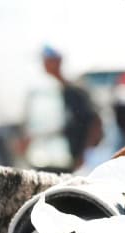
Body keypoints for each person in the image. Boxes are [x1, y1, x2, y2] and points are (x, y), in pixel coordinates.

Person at [18, 45, 102, 173]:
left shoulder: (75, 92)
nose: (44, 64)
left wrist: (84, 154)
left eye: (47, 60)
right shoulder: (44, 92)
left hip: (68, 162)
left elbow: (94, 122)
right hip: (45, 159)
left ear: (57, 62)